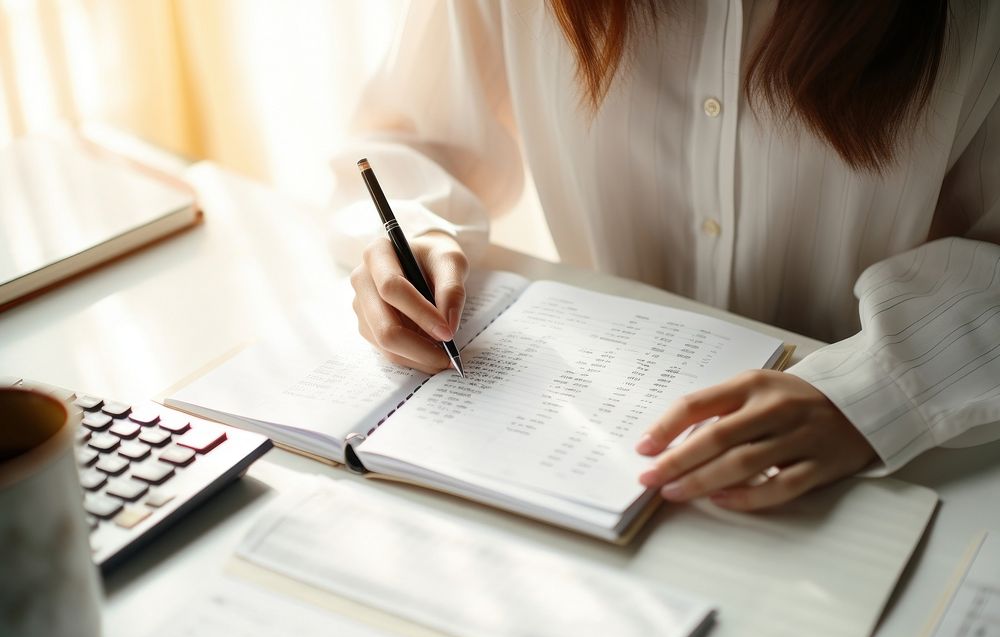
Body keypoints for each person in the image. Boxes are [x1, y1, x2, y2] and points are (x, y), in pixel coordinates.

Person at [330, 1, 1000, 511]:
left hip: (872, 471)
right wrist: (411, 234)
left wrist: (877, 387)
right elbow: (412, 143)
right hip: (591, 442)